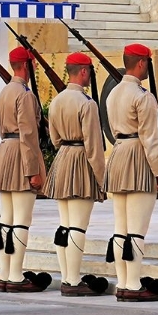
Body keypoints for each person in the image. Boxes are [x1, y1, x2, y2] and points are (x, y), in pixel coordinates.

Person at [103, 43, 158, 302]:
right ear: (142, 64)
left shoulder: (112, 94)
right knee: (137, 229)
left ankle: (122, 282)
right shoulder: (143, 96)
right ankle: (133, 285)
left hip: (118, 153)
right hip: (138, 157)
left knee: (120, 228)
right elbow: (150, 141)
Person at [42, 52, 109, 297]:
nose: (90, 76)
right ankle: (73, 280)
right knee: (78, 227)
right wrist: (102, 178)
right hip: (81, 159)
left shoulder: (57, 101)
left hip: (63, 159)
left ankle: (67, 277)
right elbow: (94, 146)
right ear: (83, 71)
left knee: (65, 226)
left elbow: (54, 139)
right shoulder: (87, 103)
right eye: (89, 71)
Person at [0, 46, 51, 292]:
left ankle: (5, 275)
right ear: (26, 66)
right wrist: (33, 169)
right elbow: (28, 134)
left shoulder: (4, 92)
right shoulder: (25, 95)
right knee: (22, 221)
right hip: (20, 154)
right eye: (33, 64)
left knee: (7, 220)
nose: (34, 68)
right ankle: (16, 276)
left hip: (4, 150)